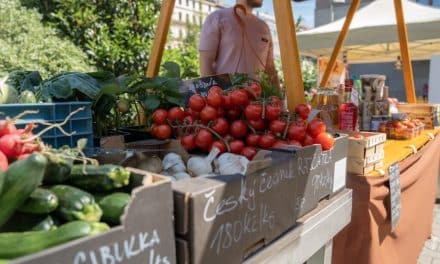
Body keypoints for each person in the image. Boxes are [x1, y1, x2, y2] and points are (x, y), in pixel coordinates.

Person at [199, 0, 280, 90]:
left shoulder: (264, 27)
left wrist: (279, 99)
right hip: (226, 99)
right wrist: (214, 97)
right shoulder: (217, 18)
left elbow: (270, 69)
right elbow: (206, 63)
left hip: (258, 101)